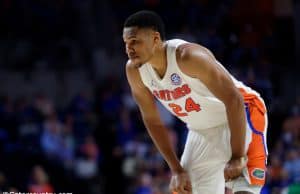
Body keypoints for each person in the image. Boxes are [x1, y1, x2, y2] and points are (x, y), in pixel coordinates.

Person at [123, 10, 268, 194]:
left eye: (135, 41)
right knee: (184, 189)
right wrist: (176, 169)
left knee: (242, 191)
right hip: (202, 130)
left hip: (242, 114)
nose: (129, 48)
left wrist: (238, 156)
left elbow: (234, 100)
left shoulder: (188, 57)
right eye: (126, 43)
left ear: (155, 38)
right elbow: (152, 121)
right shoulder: (135, 72)